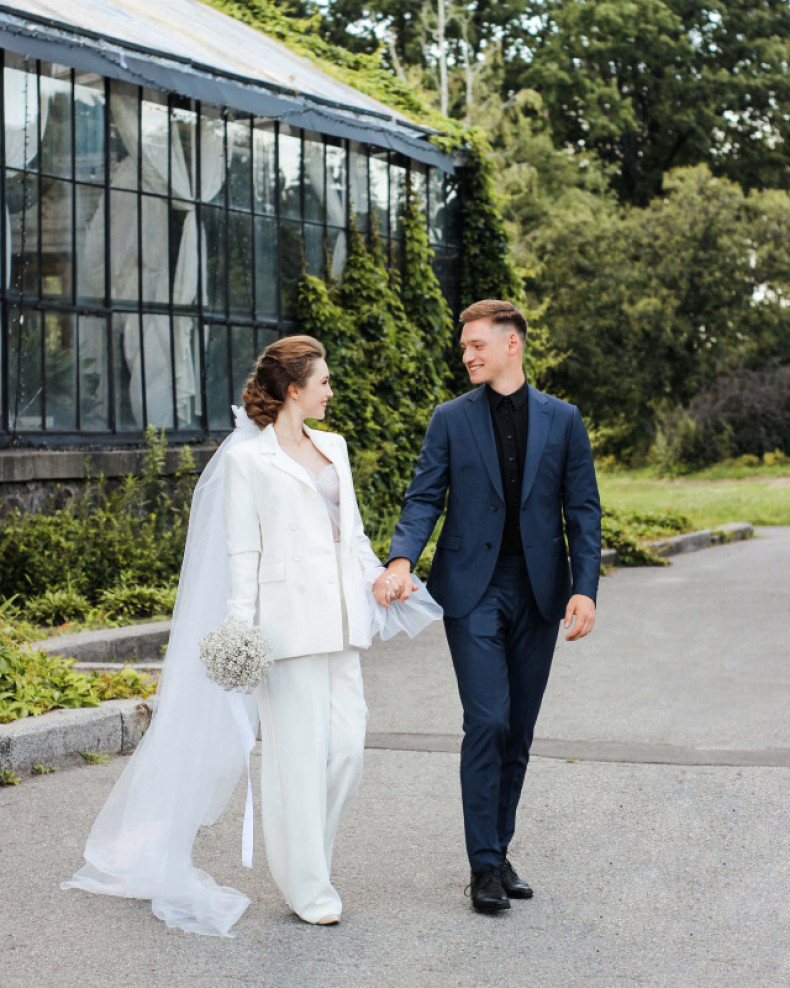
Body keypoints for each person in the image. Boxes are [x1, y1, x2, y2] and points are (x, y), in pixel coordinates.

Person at [62, 335, 439, 935]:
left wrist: (379, 578)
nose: (330, 391)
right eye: (323, 382)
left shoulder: (335, 447)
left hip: (342, 621)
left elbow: (352, 536)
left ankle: (310, 862)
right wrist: (241, 632)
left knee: (346, 751)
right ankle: (308, 885)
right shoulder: (247, 462)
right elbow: (243, 554)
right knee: (296, 763)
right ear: (293, 390)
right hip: (286, 630)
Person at [373, 299, 601, 914]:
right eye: (464, 347)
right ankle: (482, 867)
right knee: (488, 722)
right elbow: (424, 496)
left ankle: (498, 853)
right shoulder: (450, 418)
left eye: (477, 345)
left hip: (541, 591)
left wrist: (585, 588)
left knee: (518, 730)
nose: (467, 355)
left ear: (511, 344)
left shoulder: (563, 419)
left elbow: (583, 510)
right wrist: (401, 559)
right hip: (472, 590)